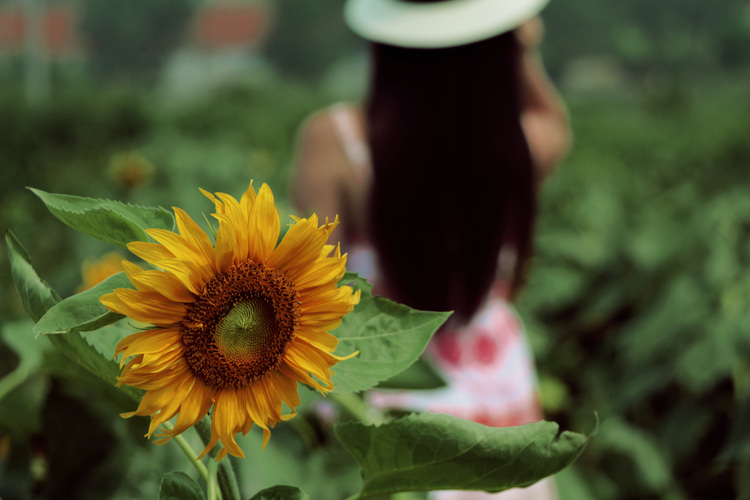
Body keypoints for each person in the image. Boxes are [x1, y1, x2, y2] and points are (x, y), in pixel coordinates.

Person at [292, 0, 571, 498]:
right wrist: (520, 45)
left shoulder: (337, 141)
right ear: (500, 44)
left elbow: (311, 293)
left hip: (384, 409)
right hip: (496, 407)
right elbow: (555, 120)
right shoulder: (514, 145)